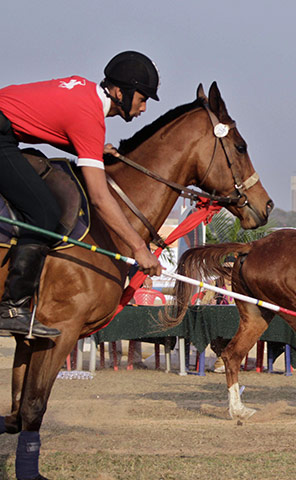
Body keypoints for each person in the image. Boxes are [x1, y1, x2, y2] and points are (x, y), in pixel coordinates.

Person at [0, 51, 163, 338]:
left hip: (7, 130)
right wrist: (139, 248)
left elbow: (52, 122)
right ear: (117, 92)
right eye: (142, 98)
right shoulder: (89, 118)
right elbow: (100, 199)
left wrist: (93, 149)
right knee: (44, 212)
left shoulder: (84, 91)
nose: (144, 108)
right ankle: (12, 307)